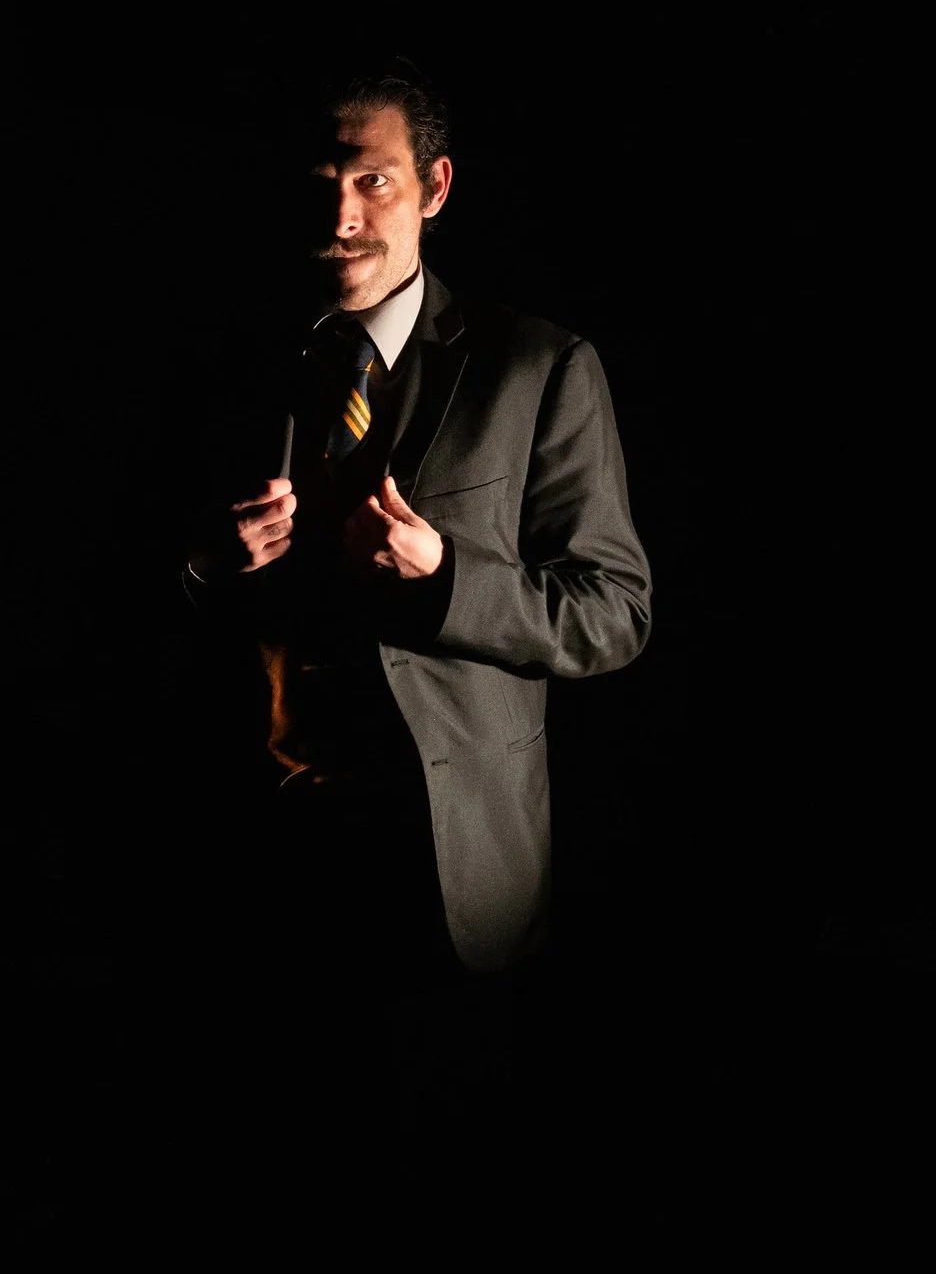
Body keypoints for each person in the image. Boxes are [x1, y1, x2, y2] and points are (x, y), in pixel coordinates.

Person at [179, 58, 651, 1157]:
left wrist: (446, 581)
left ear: (432, 187)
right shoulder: (235, 369)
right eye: (317, 184)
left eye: (370, 182)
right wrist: (204, 569)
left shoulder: (539, 365)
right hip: (266, 869)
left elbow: (614, 612)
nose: (339, 218)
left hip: (452, 875)